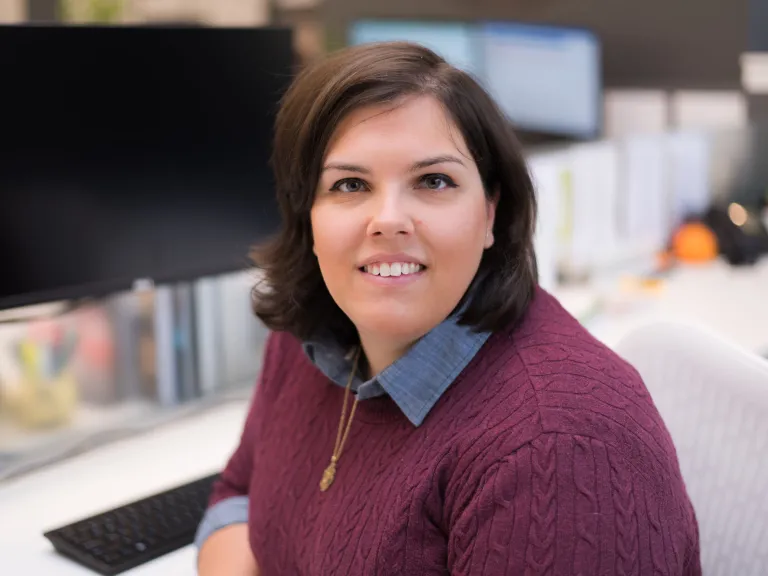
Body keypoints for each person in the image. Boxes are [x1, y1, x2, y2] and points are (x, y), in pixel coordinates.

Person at [195, 41, 701, 575]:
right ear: (307, 216)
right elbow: (236, 497)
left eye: (433, 181)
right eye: (350, 184)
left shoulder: (559, 449)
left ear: (490, 212)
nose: (388, 221)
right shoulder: (311, 329)